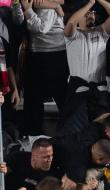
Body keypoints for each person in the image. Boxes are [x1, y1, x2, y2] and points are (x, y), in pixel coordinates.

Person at [60, 0, 110, 133]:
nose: (91, 15)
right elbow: (70, 24)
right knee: (73, 132)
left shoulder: (102, 32)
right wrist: (88, 4)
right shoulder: (72, 36)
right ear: (78, 15)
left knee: (103, 131)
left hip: (100, 92)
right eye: (87, 13)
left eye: (93, 12)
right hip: (78, 92)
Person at [20, 0, 69, 134]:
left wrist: (28, 9)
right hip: (41, 51)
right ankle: (34, 133)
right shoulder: (46, 3)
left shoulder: (47, 4)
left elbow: (41, 28)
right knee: (35, 95)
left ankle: (68, 131)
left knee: (57, 94)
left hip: (51, 53)